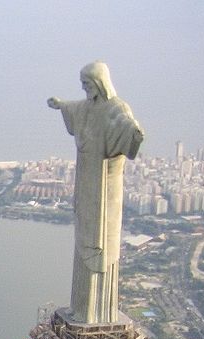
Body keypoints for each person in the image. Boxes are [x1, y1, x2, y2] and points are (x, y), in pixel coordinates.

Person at [48, 62, 144, 324]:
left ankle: (98, 313)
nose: (84, 89)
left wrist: (134, 132)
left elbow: (128, 129)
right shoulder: (87, 107)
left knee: (101, 243)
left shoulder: (117, 108)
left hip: (105, 187)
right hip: (86, 182)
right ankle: (81, 309)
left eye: (87, 84)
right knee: (84, 239)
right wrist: (60, 104)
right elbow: (75, 108)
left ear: (100, 82)